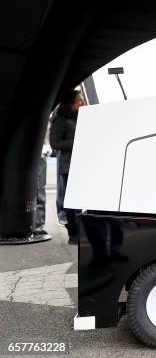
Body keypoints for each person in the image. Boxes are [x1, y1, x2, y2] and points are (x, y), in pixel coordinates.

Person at [50, 90, 84, 244]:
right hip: (68, 165)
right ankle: (74, 234)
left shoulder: (79, 116)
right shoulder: (60, 119)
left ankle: (82, 233)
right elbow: (54, 144)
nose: (81, 101)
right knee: (72, 202)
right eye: (78, 99)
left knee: (81, 201)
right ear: (71, 101)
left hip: (81, 163)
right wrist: (75, 141)